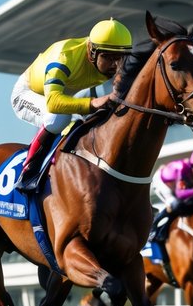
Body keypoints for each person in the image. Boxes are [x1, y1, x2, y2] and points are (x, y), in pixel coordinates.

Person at [10, 18, 134, 192]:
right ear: (91, 51)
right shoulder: (65, 56)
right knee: (59, 117)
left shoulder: (116, 62)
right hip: (31, 94)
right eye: (107, 57)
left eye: (120, 58)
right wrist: (93, 103)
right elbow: (53, 103)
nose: (115, 65)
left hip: (71, 93)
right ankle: (29, 171)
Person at [149, 150, 193, 247]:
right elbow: (180, 194)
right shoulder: (182, 169)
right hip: (162, 182)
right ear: (192, 166)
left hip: (175, 185)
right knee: (174, 204)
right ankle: (153, 228)